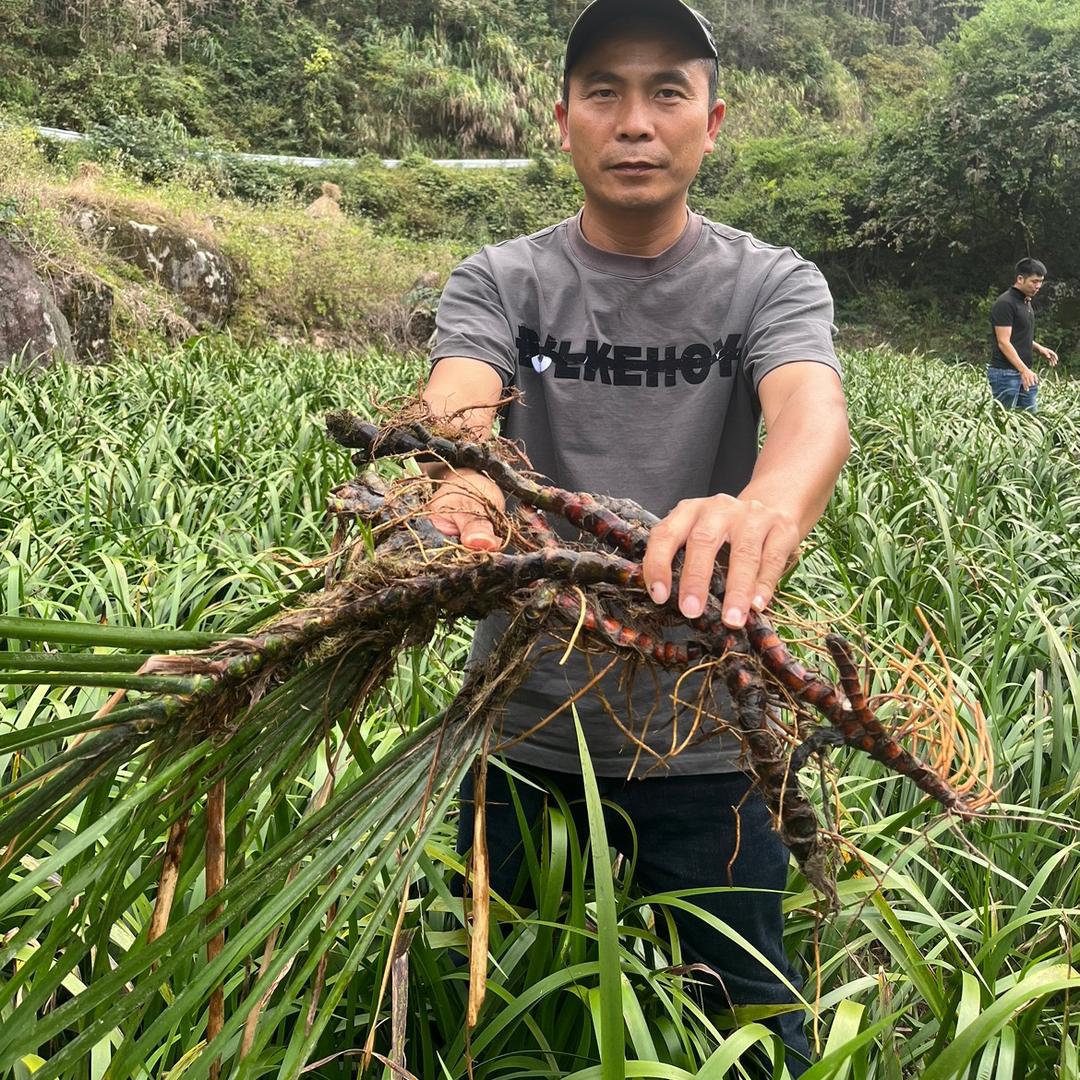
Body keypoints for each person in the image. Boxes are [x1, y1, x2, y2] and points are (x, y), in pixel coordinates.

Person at [420, 0, 850, 1072]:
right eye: (605, 92)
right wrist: (459, 483)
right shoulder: (501, 279)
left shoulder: (770, 281)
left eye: (668, 92)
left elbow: (810, 415)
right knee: (470, 1025)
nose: (636, 121)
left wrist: (763, 508)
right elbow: (456, 400)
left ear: (714, 121)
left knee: (751, 1035)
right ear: (562, 119)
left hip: (711, 737)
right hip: (516, 732)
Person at [989, 257, 1059, 411]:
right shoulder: (1005, 303)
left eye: (1041, 281)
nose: (1038, 286)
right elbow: (1004, 342)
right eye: (1034, 281)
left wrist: (1040, 349)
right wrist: (1023, 370)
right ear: (1020, 279)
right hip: (1005, 374)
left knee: (1030, 422)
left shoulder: (1026, 302)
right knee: (1004, 424)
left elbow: (1019, 336)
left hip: (1025, 373)